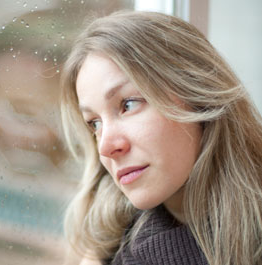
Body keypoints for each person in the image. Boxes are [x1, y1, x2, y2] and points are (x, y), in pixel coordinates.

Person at [60, 11, 262, 265]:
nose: (106, 146)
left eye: (129, 104)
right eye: (95, 123)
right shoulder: (107, 246)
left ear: (199, 98)